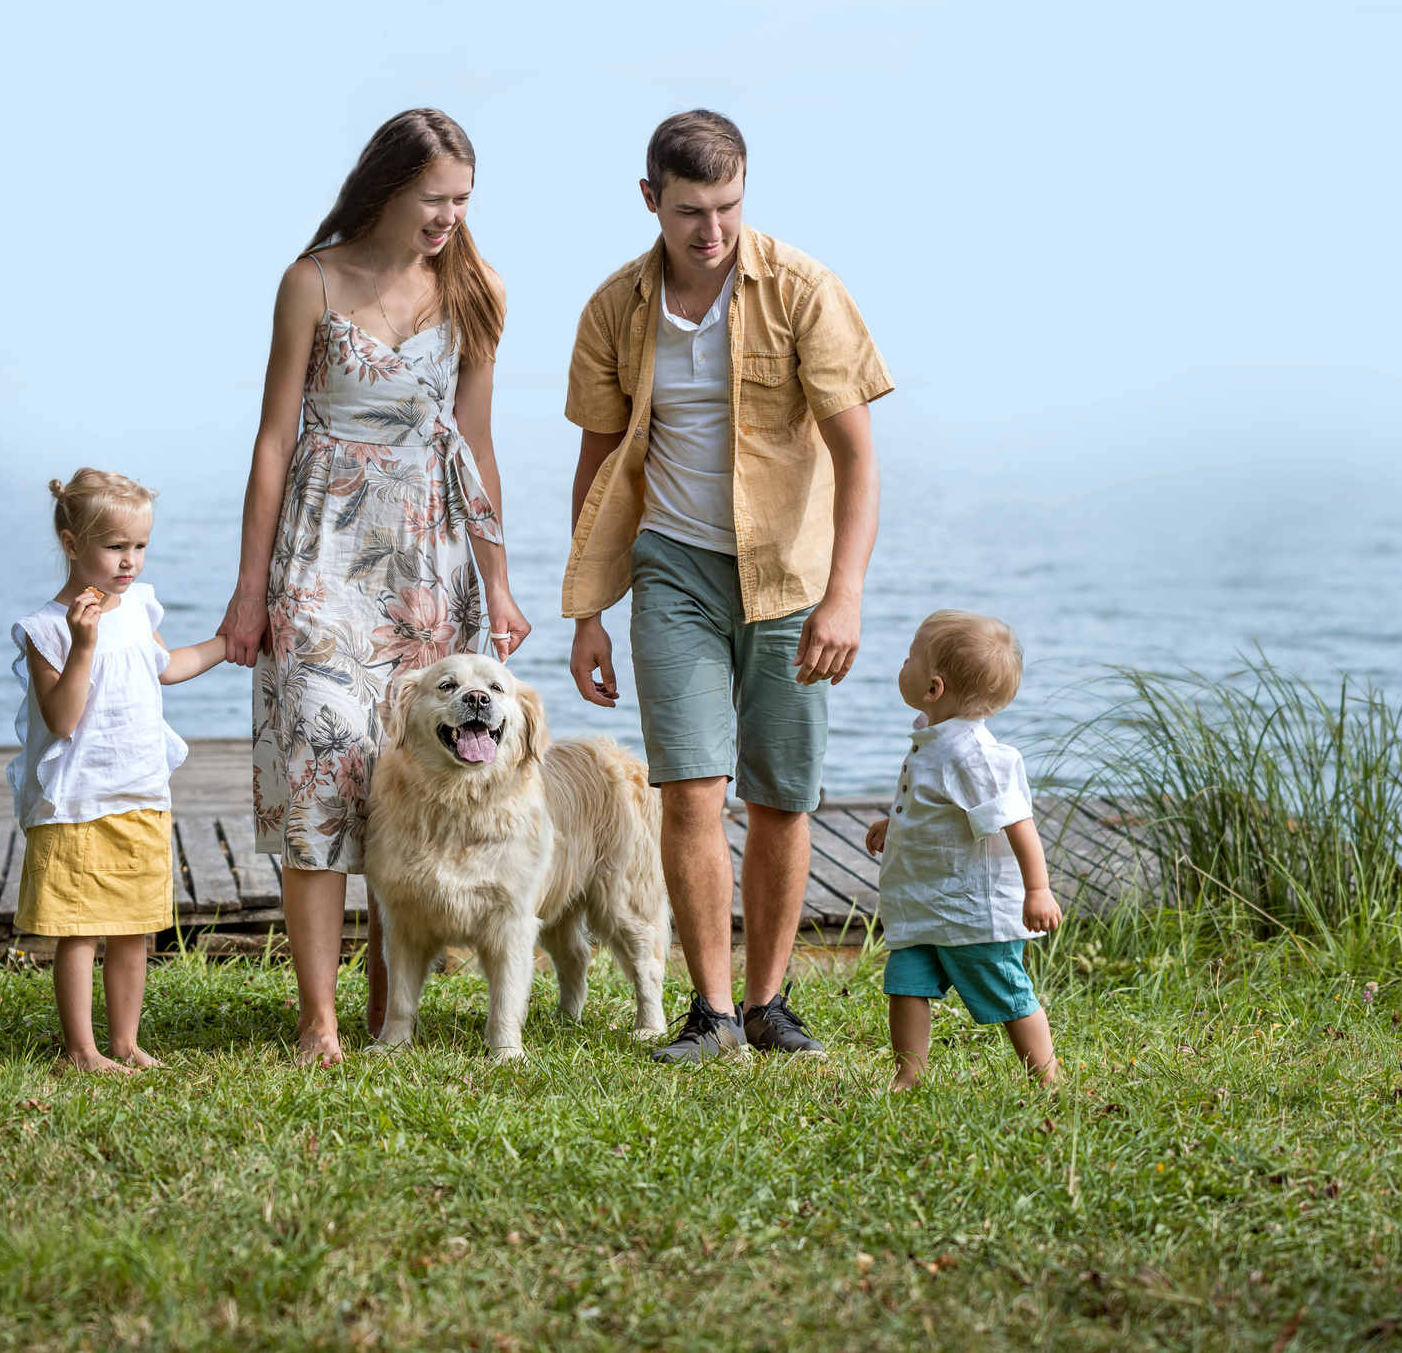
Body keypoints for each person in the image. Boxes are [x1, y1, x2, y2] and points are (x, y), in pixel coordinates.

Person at [563, 109, 892, 1064]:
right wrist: (587, 610)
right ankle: (709, 1014)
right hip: (673, 565)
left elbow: (859, 459)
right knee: (691, 788)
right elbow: (595, 466)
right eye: (691, 211)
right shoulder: (613, 309)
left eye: (729, 206)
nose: (713, 231)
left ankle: (768, 1002)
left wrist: (846, 596)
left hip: (790, 574)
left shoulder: (801, 289)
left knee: (784, 793)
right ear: (650, 200)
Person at [219, 108, 529, 1066]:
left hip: (432, 559)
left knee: (412, 779)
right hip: (318, 554)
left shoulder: (476, 289)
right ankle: (317, 1019)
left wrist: (501, 581)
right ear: (387, 185)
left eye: (462, 199)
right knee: (320, 771)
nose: (448, 216)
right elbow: (274, 440)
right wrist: (247, 588)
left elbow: (476, 445)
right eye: (434, 196)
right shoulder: (311, 280)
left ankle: (393, 1008)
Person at [10, 468, 228, 1074]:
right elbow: (61, 718)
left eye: (139, 547)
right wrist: (82, 645)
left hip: (140, 793)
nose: (129, 561)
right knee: (79, 928)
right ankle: (80, 1050)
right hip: (78, 801)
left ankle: (126, 1042)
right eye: (115, 547)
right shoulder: (48, 629)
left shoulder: (136, 609)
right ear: (71, 543)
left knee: (136, 927)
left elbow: (166, 665)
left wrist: (226, 645)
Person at [862, 611, 1064, 1092]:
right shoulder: (934, 743)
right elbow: (941, 805)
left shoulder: (971, 754)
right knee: (906, 984)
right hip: (923, 903)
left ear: (933, 687)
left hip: (972, 909)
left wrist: (1038, 889)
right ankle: (908, 1076)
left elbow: (1017, 821)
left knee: (1008, 991)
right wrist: (898, 823)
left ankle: (1047, 1078)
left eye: (910, 656)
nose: (902, 661)